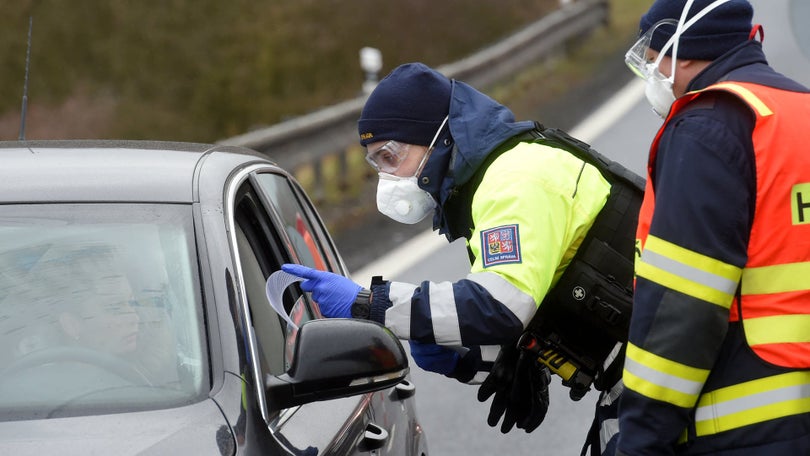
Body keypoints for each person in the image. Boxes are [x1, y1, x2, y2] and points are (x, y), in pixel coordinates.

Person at [282, 62, 634, 446]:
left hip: (669, 364)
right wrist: (468, 359)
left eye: (390, 156)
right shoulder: (491, 182)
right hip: (645, 368)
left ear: (437, 137)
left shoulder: (515, 179)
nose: (386, 177)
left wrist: (370, 304)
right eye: (376, 163)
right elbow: (526, 301)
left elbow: (499, 305)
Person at [617, 0, 810, 454]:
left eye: (653, 61)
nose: (653, 76)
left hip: (752, 422)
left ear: (683, 53)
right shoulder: (797, 109)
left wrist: (641, 437)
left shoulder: (707, 129)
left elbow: (683, 308)